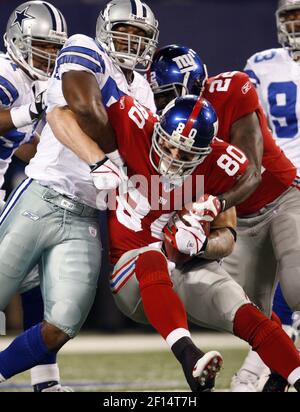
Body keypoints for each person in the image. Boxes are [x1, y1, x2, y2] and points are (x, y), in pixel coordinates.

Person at [47, 94, 300, 392]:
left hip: (185, 267)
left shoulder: (221, 164)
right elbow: (58, 115)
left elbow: (228, 237)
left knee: (247, 311)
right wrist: (98, 160)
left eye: (186, 154)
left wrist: (203, 242)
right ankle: (188, 356)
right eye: (168, 146)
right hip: (133, 276)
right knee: (151, 256)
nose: (173, 158)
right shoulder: (133, 125)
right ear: (158, 131)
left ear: (205, 152)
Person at [0, 0, 159, 389]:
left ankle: (40, 377)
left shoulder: (143, 90)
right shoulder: (85, 49)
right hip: (44, 195)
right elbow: (79, 107)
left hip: (88, 212)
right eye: (125, 32)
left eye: (141, 37)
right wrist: (111, 155)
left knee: (63, 323)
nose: (132, 43)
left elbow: (30, 142)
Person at [149, 44, 300, 392]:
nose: (161, 105)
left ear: (192, 82)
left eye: (166, 95)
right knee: (252, 314)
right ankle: (283, 371)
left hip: (281, 197)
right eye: (158, 97)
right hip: (238, 219)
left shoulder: (232, 88)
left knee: (295, 287)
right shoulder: (169, 122)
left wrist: (212, 205)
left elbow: (252, 171)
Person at [0, 1, 72, 392]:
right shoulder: (6, 73)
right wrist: (32, 111)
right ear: (17, 40)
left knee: (36, 277)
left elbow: (22, 145)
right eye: (42, 45)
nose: (49, 54)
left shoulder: (36, 83)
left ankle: (46, 379)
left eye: (54, 47)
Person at [229, 0, 300, 392]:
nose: (295, 25)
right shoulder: (261, 63)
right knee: (272, 290)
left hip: (282, 188)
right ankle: (264, 371)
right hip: (277, 184)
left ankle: (259, 374)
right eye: (290, 17)